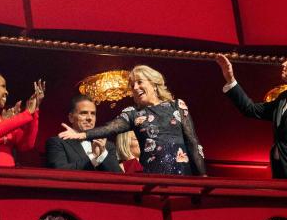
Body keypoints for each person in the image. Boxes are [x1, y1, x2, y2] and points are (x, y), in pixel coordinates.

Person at [59, 65, 205, 175]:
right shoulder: (134, 114)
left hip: (183, 178)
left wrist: (203, 176)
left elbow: (193, 142)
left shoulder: (177, 106)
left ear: (154, 84)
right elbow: (110, 128)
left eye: (139, 82)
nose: (135, 87)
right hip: (152, 181)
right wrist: (83, 135)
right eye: (132, 85)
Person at [215, 51, 287, 180]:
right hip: (280, 171)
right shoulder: (283, 97)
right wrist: (230, 80)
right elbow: (250, 109)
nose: (283, 63)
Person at [46, 94, 122, 172]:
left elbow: (119, 177)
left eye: (93, 113)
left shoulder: (108, 146)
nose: (89, 118)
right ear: (71, 117)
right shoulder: (57, 143)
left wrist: (103, 154)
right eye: (84, 113)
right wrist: (93, 157)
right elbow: (59, 172)